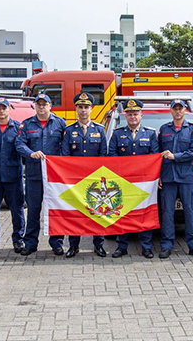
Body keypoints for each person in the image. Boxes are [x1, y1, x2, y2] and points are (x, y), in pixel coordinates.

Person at [16, 93, 67, 256]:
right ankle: (31, 243)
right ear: (35, 106)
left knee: (55, 209)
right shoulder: (27, 124)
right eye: (39, 104)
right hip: (34, 175)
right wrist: (30, 153)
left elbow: (66, 146)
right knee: (33, 210)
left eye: (45, 104)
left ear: (50, 106)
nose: (41, 107)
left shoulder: (60, 123)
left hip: (54, 176)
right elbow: (19, 144)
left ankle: (57, 243)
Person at [108, 99, 159, 258]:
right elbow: (112, 155)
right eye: (129, 114)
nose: (133, 117)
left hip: (144, 182)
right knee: (122, 213)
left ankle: (146, 247)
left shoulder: (150, 134)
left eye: (135, 114)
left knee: (144, 213)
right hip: (123, 181)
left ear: (141, 115)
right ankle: (121, 246)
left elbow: (155, 156)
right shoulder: (117, 134)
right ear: (125, 116)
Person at [61, 92, 107, 258]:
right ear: (76, 109)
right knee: (75, 214)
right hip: (76, 181)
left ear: (91, 109)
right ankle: (73, 246)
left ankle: (98, 245)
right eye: (80, 107)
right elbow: (65, 156)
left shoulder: (99, 130)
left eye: (86, 107)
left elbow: (103, 155)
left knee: (98, 213)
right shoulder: (69, 131)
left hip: (95, 180)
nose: (83, 110)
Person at [158, 98, 193, 259]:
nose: (178, 111)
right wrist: (158, 175)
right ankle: (166, 245)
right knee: (167, 212)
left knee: (190, 211)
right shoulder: (164, 129)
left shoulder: (192, 130)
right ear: (171, 111)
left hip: (186, 177)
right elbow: (158, 154)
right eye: (175, 108)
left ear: (185, 110)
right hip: (168, 177)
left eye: (180, 108)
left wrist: (174, 156)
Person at [0, 97, 26, 254]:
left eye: (4, 108)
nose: (1, 111)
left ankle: (18, 240)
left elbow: (22, 149)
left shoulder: (18, 128)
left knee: (17, 209)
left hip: (13, 176)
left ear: (9, 109)